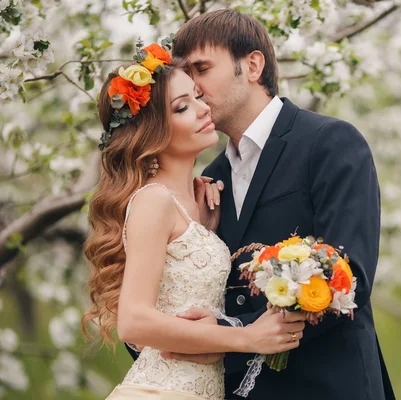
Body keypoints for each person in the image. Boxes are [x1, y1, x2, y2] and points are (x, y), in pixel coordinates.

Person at [152, 9, 396, 400]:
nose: (193, 88)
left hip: (330, 387)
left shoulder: (331, 143)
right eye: (186, 75)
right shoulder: (209, 179)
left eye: (201, 69)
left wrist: (230, 336)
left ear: (252, 65)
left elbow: (350, 278)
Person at [81, 43, 306, 399]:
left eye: (198, 97)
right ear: (152, 131)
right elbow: (134, 323)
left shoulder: (197, 201)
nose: (204, 110)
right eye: (183, 107)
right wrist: (246, 337)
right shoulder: (153, 200)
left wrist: (207, 227)